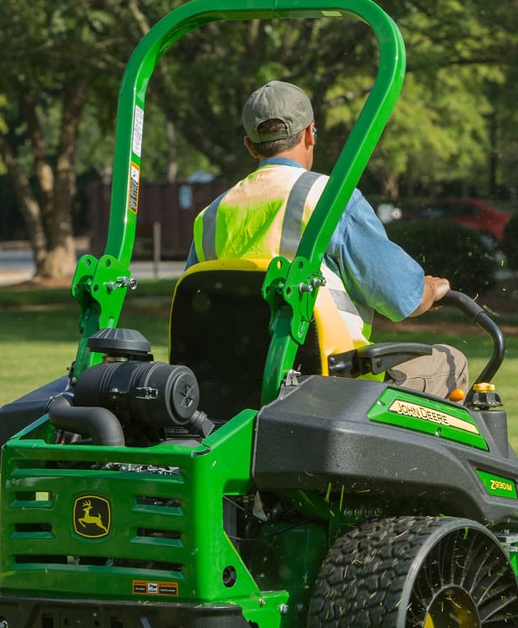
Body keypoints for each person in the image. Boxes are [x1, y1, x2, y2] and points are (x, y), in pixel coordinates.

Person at [185, 80, 468, 398]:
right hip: (334, 392)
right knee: (450, 361)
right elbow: (402, 296)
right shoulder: (330, 199)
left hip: (236, 391)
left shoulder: (210, 216)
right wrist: (432, 288)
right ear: (310, 133)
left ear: (250, 146)